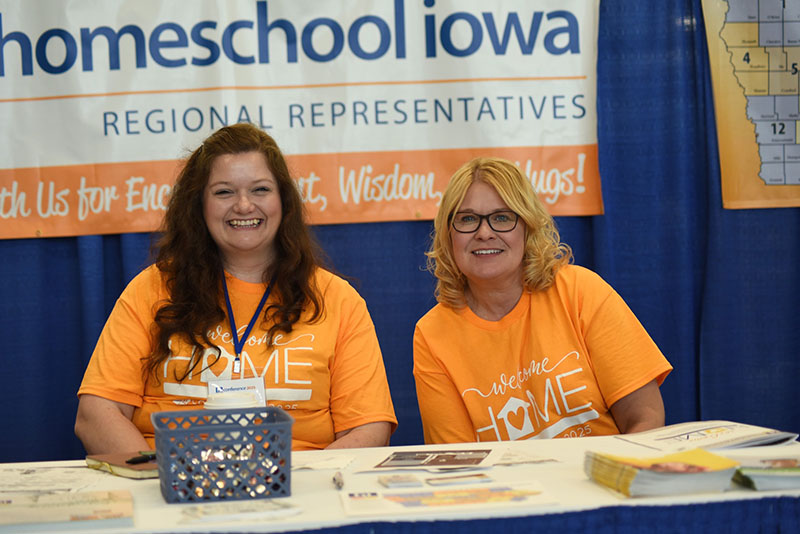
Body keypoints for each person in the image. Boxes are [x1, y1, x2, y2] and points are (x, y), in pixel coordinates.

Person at [75, 123, 396, 453]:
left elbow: (368, 429)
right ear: (199, 205)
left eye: (260, 190)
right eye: (224, 192)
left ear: (284, 201)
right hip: (170, 479)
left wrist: (295, 480)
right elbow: (96, 415)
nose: (243, 205)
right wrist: (164, 475)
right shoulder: (151, 289)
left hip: (299, 480)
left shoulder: (338, 300)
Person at [413, 157, 672, 444]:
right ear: (448, 234)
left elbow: (645, 417)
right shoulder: (431, 335)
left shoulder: (580, 290)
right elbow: (460, 461)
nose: (484, 233)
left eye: (502, 217)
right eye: (467, 219)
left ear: (528, 226)